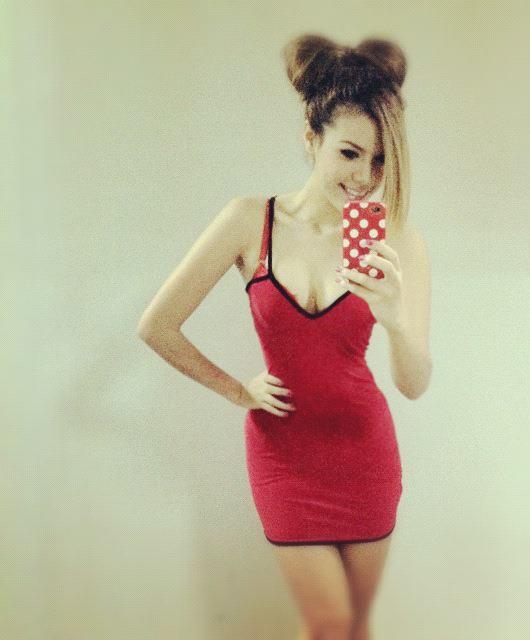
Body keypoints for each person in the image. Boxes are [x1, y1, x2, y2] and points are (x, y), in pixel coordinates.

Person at [138, 33, 432, 640]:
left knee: (354, 627)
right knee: (327, 622)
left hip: (365, 452)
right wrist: (236, 390)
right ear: (311, 139)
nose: (365, 178)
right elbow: (157, 325)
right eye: (350, 153)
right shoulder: (250, 221)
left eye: (381, 161)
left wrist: (397, 321)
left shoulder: (399, 240)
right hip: (283, 453)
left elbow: (413, 384)